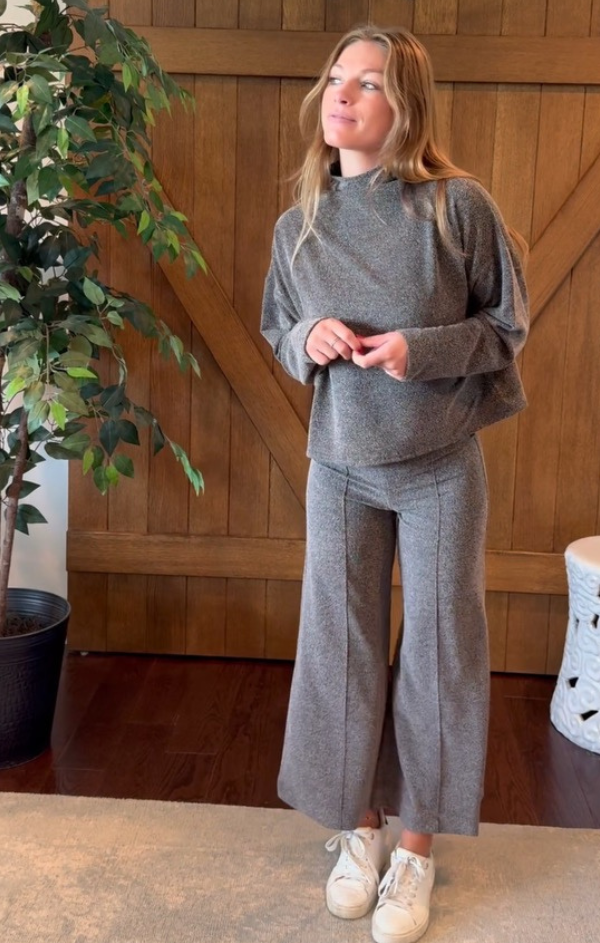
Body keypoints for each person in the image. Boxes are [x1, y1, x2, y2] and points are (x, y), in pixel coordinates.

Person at [261, 25, 528, 943]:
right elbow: (278, 328)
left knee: (441, 650)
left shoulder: (457, 209)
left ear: (405, 105)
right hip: (339, 465)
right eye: (337, 78)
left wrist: (425, 349)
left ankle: (416, 847)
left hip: (440, 466)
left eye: (368, 83)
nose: (343, 94)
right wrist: (307, 339)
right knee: (338, 646)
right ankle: (360, 828)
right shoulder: (299, 225)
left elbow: (507, 324)